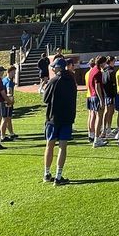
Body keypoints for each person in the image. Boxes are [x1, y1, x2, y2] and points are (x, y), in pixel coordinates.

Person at [42, 57, 78, 186]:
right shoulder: (72, 80)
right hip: (67, 117)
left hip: (53, 118)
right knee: (63, 147)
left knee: (50, 145)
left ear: (58, 68)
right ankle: (58, 176)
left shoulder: (53, 81)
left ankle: (47, 173)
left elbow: (45, 99)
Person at [87, 57, 108, 144]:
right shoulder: (98, 72)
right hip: (96, 96)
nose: (105, 64)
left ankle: (95, 137)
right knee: (99, 117)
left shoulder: (92, 70)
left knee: (95, 117)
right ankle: (97, 139)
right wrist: (101, 100)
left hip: (92, 96)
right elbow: (97, 87)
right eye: (105, 63)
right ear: (102, 63)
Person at [100, 55, 118, 137]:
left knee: (109, 111)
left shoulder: (104, 71)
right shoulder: (111, 71)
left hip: (106, 94)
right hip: (110, 94)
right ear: (111, 62)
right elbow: (113, 84)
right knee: (109, 111)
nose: (114, 63)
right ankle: (107, 129)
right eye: (114, 61)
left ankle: (106, 129)